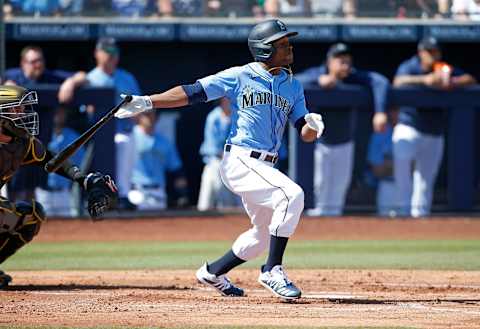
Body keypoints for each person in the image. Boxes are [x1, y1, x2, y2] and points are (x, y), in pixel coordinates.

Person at [114, 19, 324, 300]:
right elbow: (192, 91)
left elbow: (305, 133)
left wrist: (314, 126)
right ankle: (272, 269)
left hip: (265, 165)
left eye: (288, 42)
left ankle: (213, 271)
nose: (289, 48)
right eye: (282, 44)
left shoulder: (293, 86)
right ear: (264, 50)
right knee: (291, 195)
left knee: (261, 235)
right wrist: (149, 101)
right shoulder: (240, 75)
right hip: (240, 160)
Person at [0, 85, 118, 289]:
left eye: (23, 110)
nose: (23, 115)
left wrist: (83, 179)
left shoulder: (21, 143)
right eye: (16, 110)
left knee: (31, 216)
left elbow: (52, 160)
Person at [296, 43, 389, 216]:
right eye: (341, 61)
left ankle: (333, 230)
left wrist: (380, 111)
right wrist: (318, 80)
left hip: (345, 142)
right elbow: (295, 80)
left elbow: (380, 81)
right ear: (330, 62)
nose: (345, 66)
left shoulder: (352, 77)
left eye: (347, 62)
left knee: (339, 190)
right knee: (320, 188)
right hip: (320, 143)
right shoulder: (317, 73)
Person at [392, 37, 476, 217]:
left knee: (425, 180)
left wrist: (450, 82)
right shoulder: (410, 66)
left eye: (435, 51)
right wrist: (425, 80)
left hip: (434, 131)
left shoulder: (443, 69)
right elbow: (398, 82)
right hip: (409, 125)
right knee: (402, 172)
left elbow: (470, 79)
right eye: (428, 51)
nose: (432, 55)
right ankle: (402, 213)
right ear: (420, 52)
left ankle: (420, 218)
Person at [3, 45, 87, 202]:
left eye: (40, 60)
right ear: (23, 63)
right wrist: (7, 88)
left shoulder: (49, 77)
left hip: (39, 145)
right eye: (33, 61)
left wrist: (70, 82)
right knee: (14, 194)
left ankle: (28, 224)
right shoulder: (14, 75)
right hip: (15, 147)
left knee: (32, 192)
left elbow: (83, 76)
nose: (38, 65)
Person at [86, 37, 142, 211]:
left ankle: (123, 195)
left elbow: (139, 108)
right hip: (100, 133)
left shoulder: (126, 77)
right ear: (97, 54)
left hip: (125, 129)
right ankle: (113, 195)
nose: (110, 57)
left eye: (113, 53)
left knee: (128, 141)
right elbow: (86, 111)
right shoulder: (90, 78)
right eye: (106, 52)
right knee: (120, 143)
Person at [128, 111, 189, 210]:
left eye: (153, 114)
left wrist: (182, 194)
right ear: (139, 116)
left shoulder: (164, 141)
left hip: (158, 191)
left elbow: (177, 170)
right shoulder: (130, 138)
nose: (150, 117)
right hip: (136, 190)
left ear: (157, 118)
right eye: (146, 114)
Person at [34, 106, 85, 217]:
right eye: (56, 112)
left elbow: (79, 163)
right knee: (42, 227)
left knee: (68, 227)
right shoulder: (43, 134)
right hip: (43, 192)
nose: (59, 116)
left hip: (63, 192)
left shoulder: (73, 136)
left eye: (62, 113)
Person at [197, 98, 239, 211]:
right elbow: (213, 146)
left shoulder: (237, 115)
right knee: (205, 202)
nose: (229, 101)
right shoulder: (213, 117)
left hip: (233, 163)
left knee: (229, 201)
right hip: (214, 162)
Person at [365, 109, 398, 217]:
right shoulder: (380, 133)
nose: (396, 114)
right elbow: (377, 170)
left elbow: (415, 167)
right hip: (386, 185)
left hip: (408, 186)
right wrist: (400, 167)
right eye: (394, 110)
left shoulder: (410, 133)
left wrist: (390, 166)